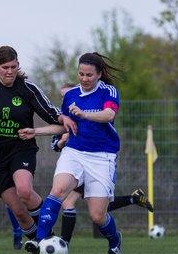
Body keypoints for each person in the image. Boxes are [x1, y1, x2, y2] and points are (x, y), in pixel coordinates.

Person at [20, 52, 127, 254]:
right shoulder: (70, 96)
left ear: (98, 74)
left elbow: (109, 115)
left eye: (89, 75)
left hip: (102, 156)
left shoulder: (108, 91)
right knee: (58, 191)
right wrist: (36, 131)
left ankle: (115, 241)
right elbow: (65, 126)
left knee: (97, 216)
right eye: (81, 74)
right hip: (75, 151)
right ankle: (39, 240)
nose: (84, 78)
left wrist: (84, 114)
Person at [0, 45, 76, 246]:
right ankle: (39, 244)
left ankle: (47, 237)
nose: (9, 71)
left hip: (20, 149)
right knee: (19, 211)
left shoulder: (28, 88)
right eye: (5, 67)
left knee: (24, 190)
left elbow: (50, 112)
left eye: (13, 67)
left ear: (18, 65)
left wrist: (62, 118)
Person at [52, 84, 154, 245]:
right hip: (75, 165)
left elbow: (106, 119)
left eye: (66, 95)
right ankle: (132, 199)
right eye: (62, 97)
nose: (66, 100)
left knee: (72, 203)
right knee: (97, 209)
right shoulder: (65, 120)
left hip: (96, 161)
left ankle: (64, 243)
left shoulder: (90, 110)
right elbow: (54, 146)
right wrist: (62, 142)